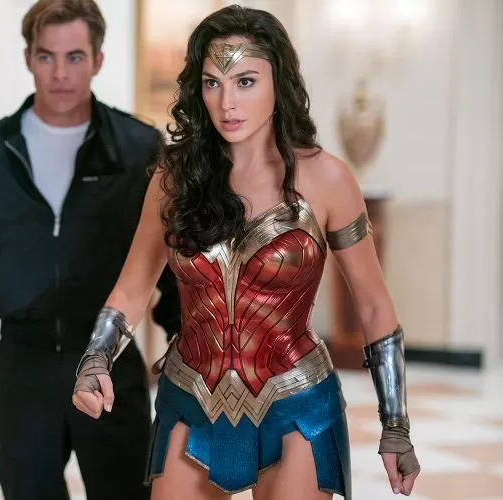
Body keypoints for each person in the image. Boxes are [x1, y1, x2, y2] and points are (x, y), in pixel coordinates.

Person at [72, 5, 421, 500]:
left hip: (297, 402)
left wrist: (396, 425)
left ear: (280, 82)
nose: (227, 103)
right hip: (190, 395)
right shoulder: (173, 180)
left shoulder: (328, 178)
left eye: (246, 82)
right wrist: (95, 359)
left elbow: (372, 305)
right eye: (212, 83)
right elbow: (132, 288)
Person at [0, 1, 181, 499]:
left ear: (98, 60)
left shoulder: (138, 148)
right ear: (28, 58)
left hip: (109, 364)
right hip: (22, 370)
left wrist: (185, 348)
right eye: (46, 56)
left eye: (75, 57)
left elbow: (168, 262)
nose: (60, 73)